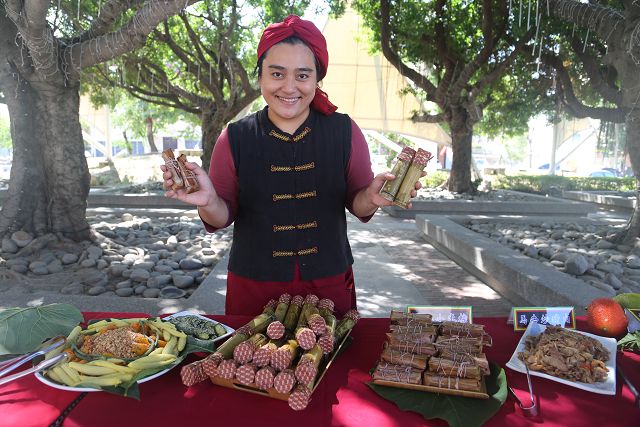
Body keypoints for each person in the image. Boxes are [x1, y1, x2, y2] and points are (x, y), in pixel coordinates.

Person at [161, 15, 423, 316]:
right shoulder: (234, 137)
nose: (289, 87)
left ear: (316, 79)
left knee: (330, 361)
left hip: (327, 283)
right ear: (260, 77)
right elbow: (220, 218)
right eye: (276, 74)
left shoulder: (344, 131)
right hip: (254, 285)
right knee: (248, 363)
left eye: (302, 75)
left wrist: (373, 198)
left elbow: (359, 205)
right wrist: (207, 201)